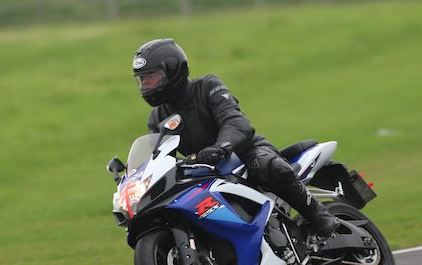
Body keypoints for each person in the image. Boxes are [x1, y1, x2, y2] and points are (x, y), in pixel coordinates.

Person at [132, 38, 339, 237]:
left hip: (245, 152)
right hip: (204, 172)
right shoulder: (157, 118)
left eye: (151, 78)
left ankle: (318, 214)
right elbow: (160, 157)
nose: (146, 85)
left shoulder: (207, 87)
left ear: (173, 71)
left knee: (265, 166)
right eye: (142, 80)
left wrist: (221, 147)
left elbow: (236, 122)